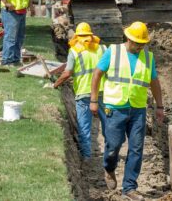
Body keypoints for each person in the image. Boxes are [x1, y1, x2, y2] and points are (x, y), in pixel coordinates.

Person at [90, 21, 164, 201]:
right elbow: (97, 74)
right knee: (113, 146)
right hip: (115, 107)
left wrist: (159, 106)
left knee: (136, 148)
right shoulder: (113, 52)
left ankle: (129, 187)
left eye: (142, 43)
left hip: (138, 109)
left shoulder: (148, 57)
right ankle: (109, 168)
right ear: (128, 38)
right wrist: (93, 100)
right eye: (136, 42)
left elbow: (154, 82)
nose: (139, 46)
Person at [53, 22, 106, 161]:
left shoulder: (74, 51)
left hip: (83, 93)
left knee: (84, 127)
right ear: (91, 34)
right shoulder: (101, 49)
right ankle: (111, 152)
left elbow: (68, 73)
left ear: (77, 35)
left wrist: (55, 84)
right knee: (108, 124)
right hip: (101, 92)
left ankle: (86, 156)